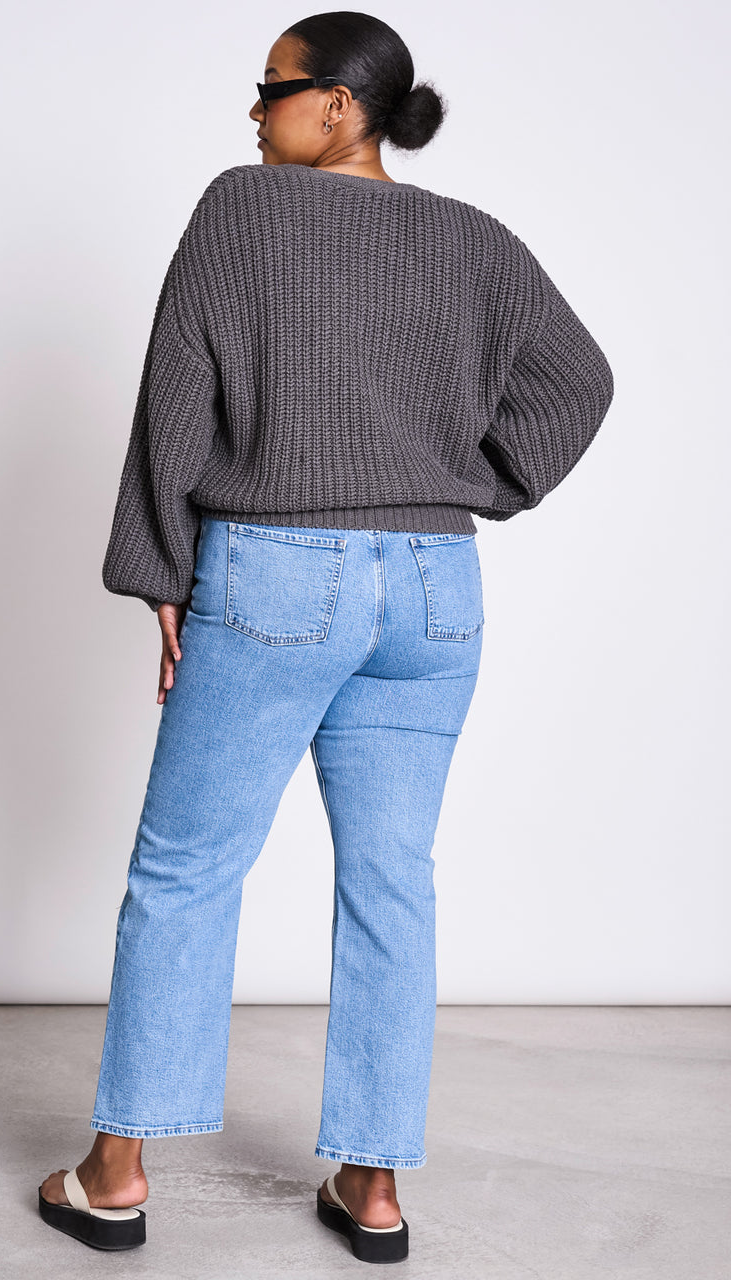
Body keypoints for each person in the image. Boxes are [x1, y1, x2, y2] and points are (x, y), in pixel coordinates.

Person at [38, 11, 614, 1264]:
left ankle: (116, 1172)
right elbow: (582, 381)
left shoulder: (242, 208)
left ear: (340, 104)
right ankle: (373, 1183)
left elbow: (173, 393)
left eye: (270, 88)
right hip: (435, 587)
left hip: (279, 574)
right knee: (393, 880)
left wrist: (160, 570)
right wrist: (468, 484)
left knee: (187, 867)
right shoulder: (476, 239)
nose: (252, 112)